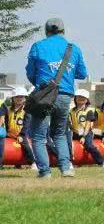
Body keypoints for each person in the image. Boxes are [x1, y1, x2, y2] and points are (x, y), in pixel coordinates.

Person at [24, 17, 89, 178]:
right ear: (63, 31)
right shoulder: (74, 48)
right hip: (65, 96)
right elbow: (82, 73)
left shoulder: (38, 46)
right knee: (59, 133)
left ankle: (45, 172)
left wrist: (41, 85)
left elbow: (31, 73)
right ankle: (66, 168)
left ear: (46, 32)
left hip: (44, 96)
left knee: (39, 136)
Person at [68, 89, 104, 168]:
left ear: (86, 100)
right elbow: (70, 123)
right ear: (75, 98)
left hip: (86, 132)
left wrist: (83, 137)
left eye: (83, 97)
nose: (80, 99)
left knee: (89, 145)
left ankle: (102, 161)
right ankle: (69, 162)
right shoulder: (71, 111)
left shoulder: (89, 111)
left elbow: (88, 125)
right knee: (67, 143)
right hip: (75, 132)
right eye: (78, 97)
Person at [0, 87, 35, 167]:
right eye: (17, 97)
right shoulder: (9, 110)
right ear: (13, 98)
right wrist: (5, 132)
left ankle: (32, 162)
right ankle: (7, 163)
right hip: (10, 134)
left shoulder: (26, 111)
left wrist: (21, 135)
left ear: (25, 98)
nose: (19, 98)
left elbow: (26, 125)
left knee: (26, 145)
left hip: (22, 134)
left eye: (21, 97)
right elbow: (6, 122)